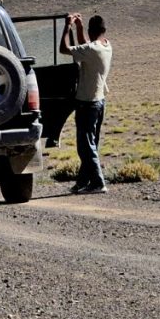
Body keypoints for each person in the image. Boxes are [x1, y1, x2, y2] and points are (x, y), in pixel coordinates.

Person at [60, 13, 112, 194]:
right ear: (104, 30)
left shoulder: (92, 50)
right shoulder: (106, 46)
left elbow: (64, 49)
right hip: (99, 101)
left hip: (87, 103)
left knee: (85, 145)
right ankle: (83, 181)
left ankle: (98, 182)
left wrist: (67, 26)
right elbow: (86, 45)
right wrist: (80, 27)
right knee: (91, 143)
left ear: (91, 31)